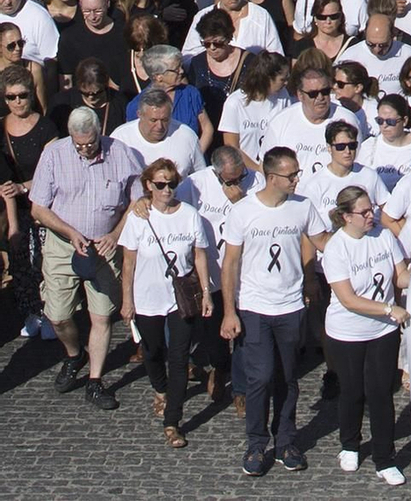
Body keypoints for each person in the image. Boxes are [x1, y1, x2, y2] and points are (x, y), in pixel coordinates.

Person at [29, 104, 144, 407]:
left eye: (90, 143)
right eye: (79, 144)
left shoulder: (120, 153)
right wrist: (70, 232)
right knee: (58, 315)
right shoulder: (54, 155)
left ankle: (95, 381)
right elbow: (38, 208)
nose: (85, 149)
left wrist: (116, 234)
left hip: (105, 245)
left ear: (99, 133)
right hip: (63, 244)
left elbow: (138, 199)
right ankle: (74, 354)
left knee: (101, 315)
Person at [220, 142, 315, 477]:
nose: (296, 180)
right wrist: (229, 311)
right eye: (290, 175)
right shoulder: (244, 211)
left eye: (297, 174)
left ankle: (286, 439)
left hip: (290, 306)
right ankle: (257, 443)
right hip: (255, 307)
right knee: (259, 377)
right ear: (271, 177)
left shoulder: (303, 207)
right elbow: (230, 263)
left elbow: (322, 243)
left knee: (288, 378)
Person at [118, 155, 215, 446]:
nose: (166, 190)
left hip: (179, 299)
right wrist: (127, 301)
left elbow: (199, 254)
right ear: (149, 185)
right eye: (160, 185)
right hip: (147, 297)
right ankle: (160, 388)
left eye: (171, 184)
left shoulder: (189, 214)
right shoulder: (139, 217)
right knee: (152, 350)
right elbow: (128, 264)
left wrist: (207, 293)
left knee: (179, 355)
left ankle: (173, 420)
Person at [319, 179, 411, 485]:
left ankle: (385, 458)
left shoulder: (384, 235)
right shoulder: (337, 248)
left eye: (371, 209)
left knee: (381, 393)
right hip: (346, 332)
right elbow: (348, 299)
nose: (371, 215)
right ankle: (350, 443)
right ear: (346, 216)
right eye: (364, 212)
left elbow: (400, 277)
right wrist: (388, 309)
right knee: (352, 390)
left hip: (382, 332)